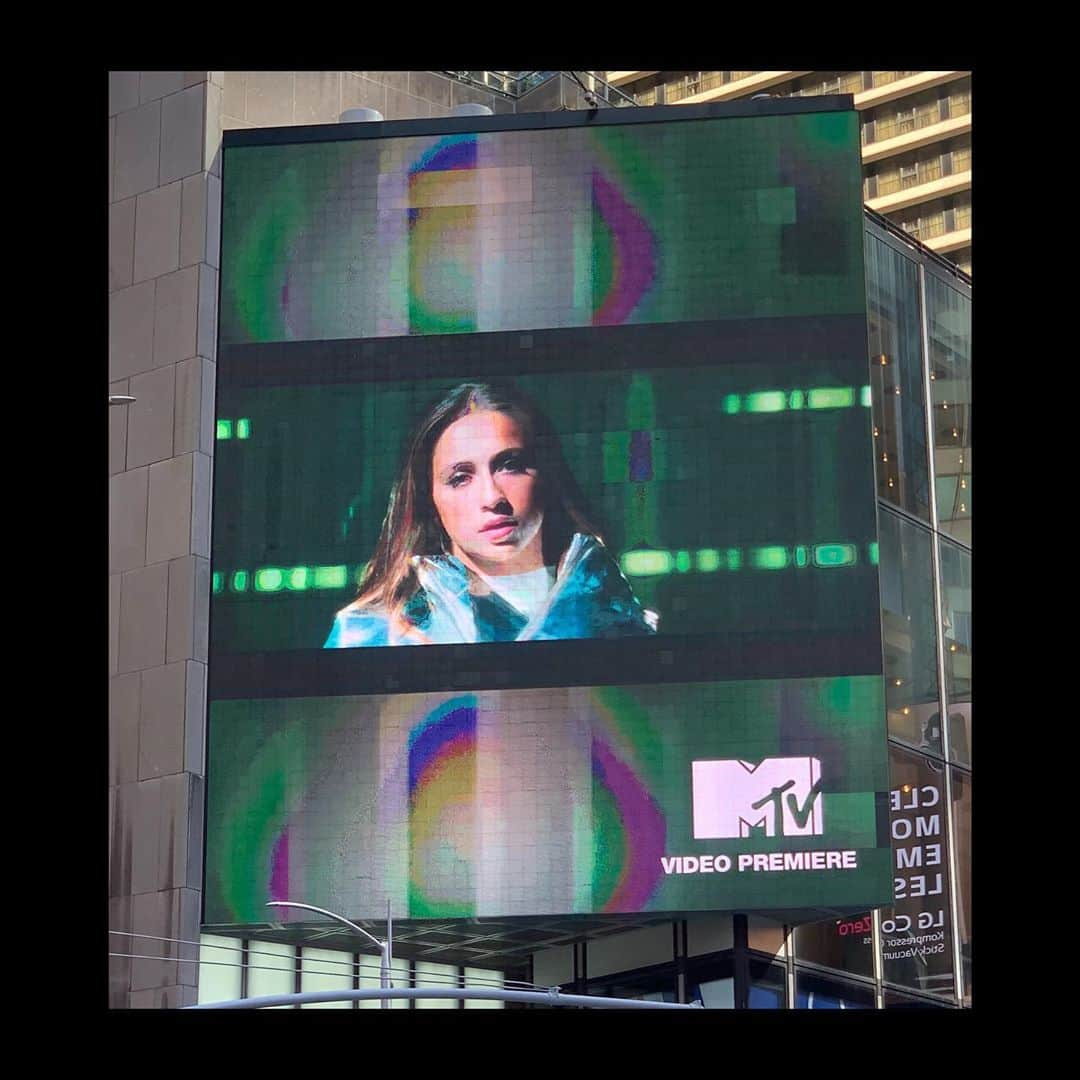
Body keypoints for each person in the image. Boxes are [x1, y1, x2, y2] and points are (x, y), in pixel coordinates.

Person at [325, 381, 657, 647]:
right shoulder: (371, 634)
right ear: (430, 499)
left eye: (510, 466)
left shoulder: (613, 613)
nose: (492, 497)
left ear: (547, 473)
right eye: (460, 478)